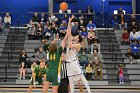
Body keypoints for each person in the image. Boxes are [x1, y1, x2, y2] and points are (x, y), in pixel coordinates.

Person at [66, 16, 91, 93]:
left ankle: (89, 91)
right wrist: (70, 22)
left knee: (82, 79)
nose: (75, 36)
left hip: (74, 63)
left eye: (76, 36)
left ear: (78, 39)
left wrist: (70, 38)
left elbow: (70, 46)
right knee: (71, 81)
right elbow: (68, 32)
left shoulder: (78, 45)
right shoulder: (71, 41)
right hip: (68, 64)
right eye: (75, 35)